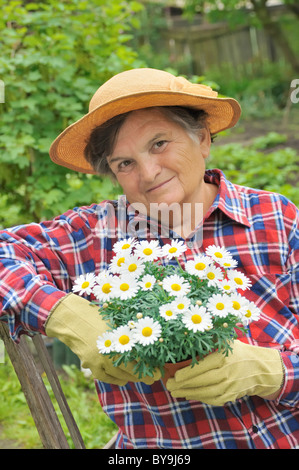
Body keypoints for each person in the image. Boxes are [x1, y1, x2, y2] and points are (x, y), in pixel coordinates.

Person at [0, 68, 298, 449]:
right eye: (125, 163)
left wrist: (271, 371)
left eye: (159, 143)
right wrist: (66, 315)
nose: (148, 172)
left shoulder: (275, 218)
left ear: (203, 138)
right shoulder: (95, 236)